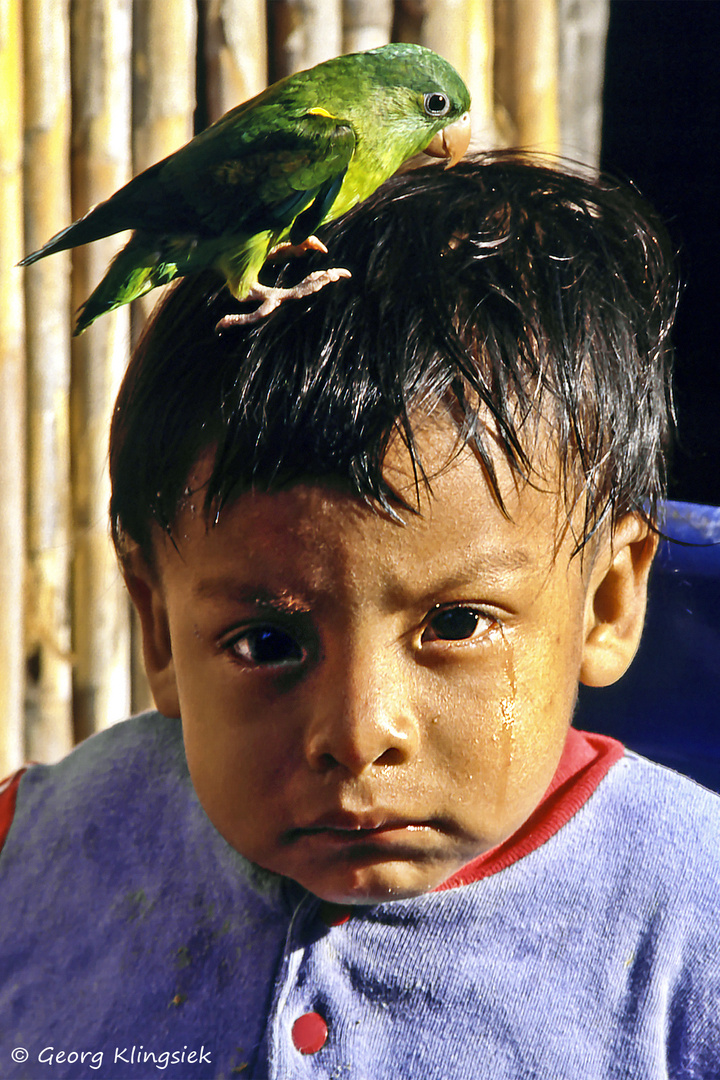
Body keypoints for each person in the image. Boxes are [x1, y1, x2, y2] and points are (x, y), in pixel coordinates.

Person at [1, 153, 718, 1079]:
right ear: (156, 626)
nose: (357, 732)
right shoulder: (34, 862)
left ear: (608, 602)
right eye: (267, 643)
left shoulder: (691, 928)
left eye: (456, 625)